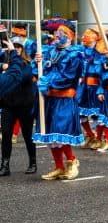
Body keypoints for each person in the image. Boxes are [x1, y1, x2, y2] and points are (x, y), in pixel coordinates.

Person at [34, 19, 84, 181]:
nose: (57, 35)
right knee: (50, 133)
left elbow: (68, 77)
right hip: (50, 98)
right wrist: (39, 63)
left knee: (61, 131)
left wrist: (46, 82)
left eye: (62, 33)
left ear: (70, 36)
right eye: (57, 33)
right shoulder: (50, 51)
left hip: (64, 99)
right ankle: (59, 166)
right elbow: (42, 71)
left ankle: (71, 161)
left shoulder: (75, 55)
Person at [0, 37, 36, 176]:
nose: (15, 50)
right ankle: (5, 165)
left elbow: (21, 77)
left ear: (22, 49)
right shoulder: (6, 64)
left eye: (18, 47)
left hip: (24, 105)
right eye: (13, 47)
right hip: (8, 104)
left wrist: (9, 68)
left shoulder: (27, 64)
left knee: (27, 135)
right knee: (6, 135)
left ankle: (32, 162)